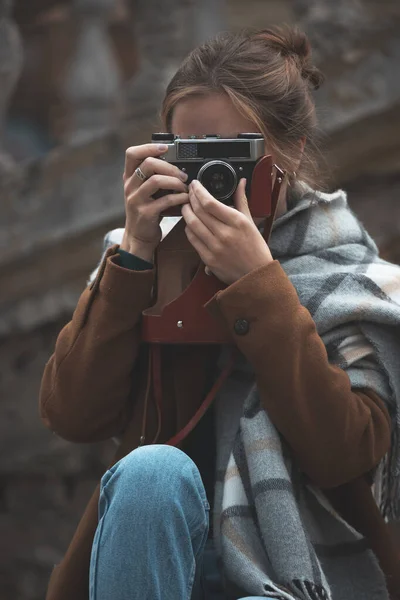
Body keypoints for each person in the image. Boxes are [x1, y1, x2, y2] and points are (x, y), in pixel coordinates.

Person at [39, 26, 400, 600]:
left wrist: (259, 285)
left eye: (235, 155)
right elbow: (71, 415)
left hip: (297, 575)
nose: (214, 180)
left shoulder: (351, 279)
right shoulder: (139, 260)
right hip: (154, 555)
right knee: (151, 472)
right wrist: (134, 255)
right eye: (194, 155)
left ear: (293, 148)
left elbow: (346, 453)